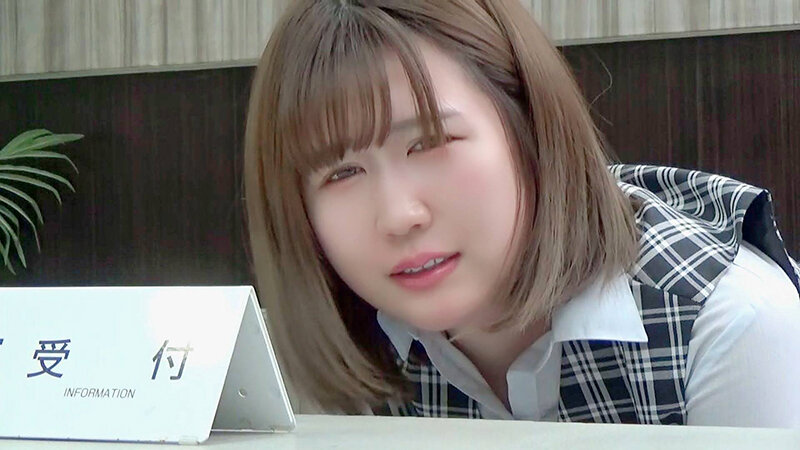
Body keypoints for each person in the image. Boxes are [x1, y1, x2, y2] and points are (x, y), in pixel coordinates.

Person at [243, 0, 800, 426]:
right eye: (341, 173)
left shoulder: (727, 323)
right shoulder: (315, 346)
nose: (398, 216)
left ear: (530, 125)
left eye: (431, 141)